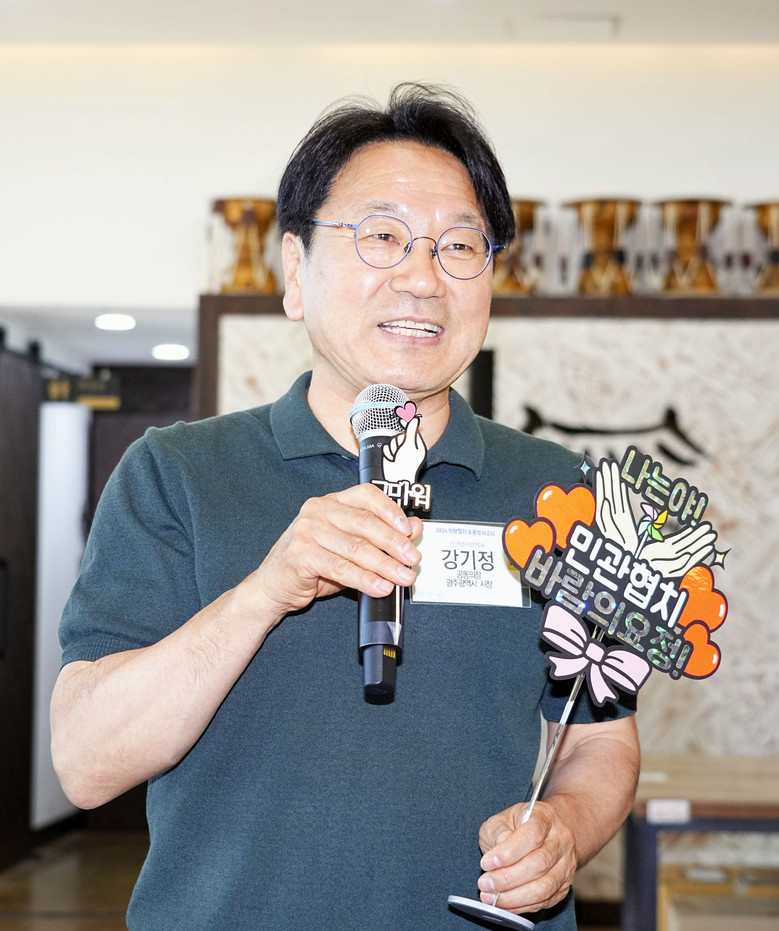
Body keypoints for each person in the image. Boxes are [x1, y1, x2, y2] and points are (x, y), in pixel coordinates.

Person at [51, 83, 640, 930]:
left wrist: (565, 831)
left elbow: (598, 737)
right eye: (382, 236)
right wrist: (263, 592)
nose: (421, 278)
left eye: (459, 245)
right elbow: (86, 761)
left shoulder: (565, 492)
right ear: (295, 272)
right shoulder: (175, 473)